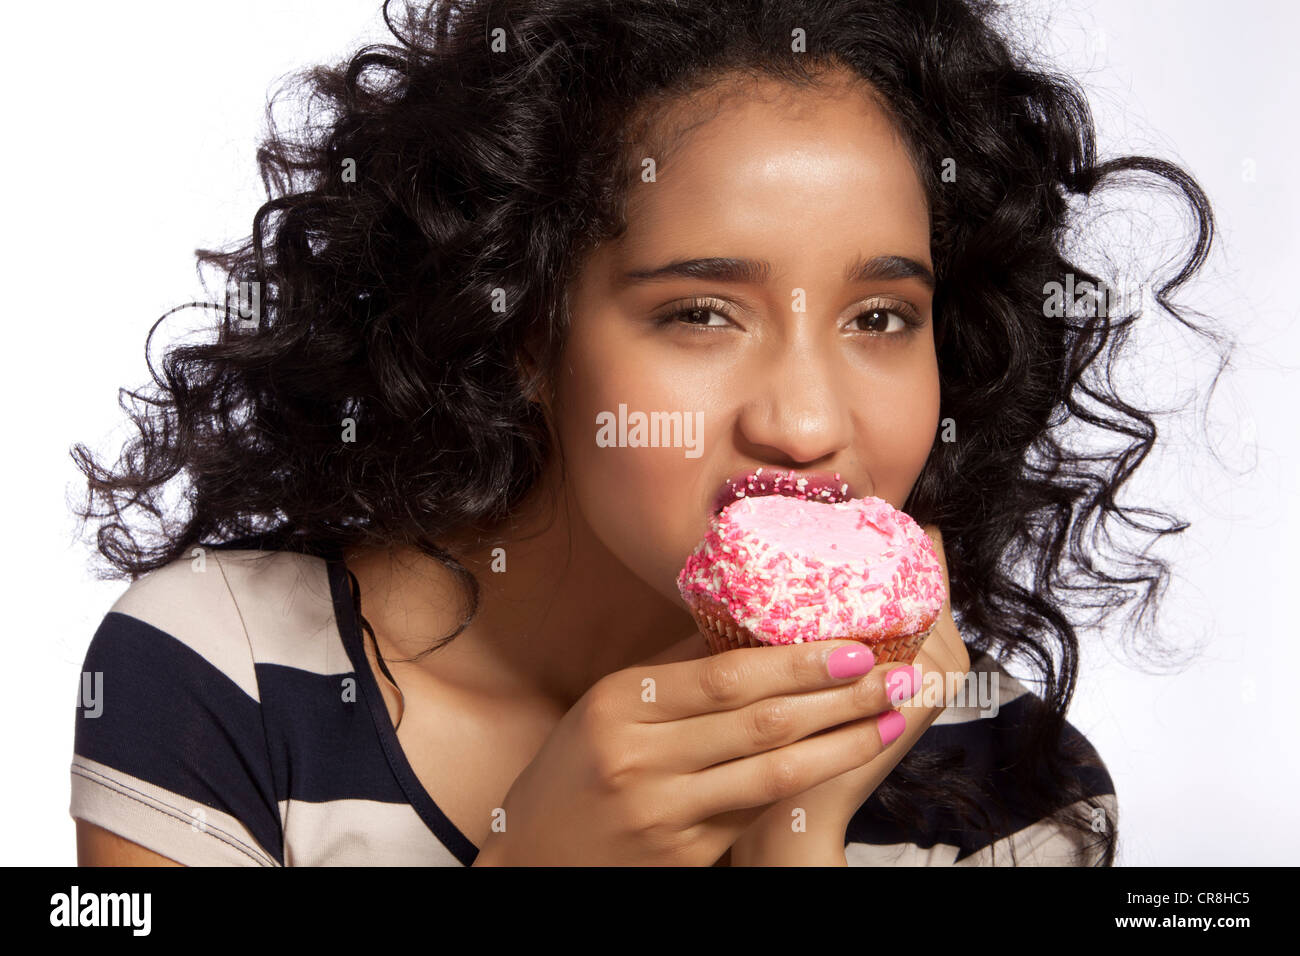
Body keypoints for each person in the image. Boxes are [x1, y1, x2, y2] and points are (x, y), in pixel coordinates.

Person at [69, 0, 1220, 866]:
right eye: (701, 312)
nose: (807, 422)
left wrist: (792, 842)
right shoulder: (222, 678)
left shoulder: (1015, 796)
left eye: (881, 316)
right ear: (525, 328)